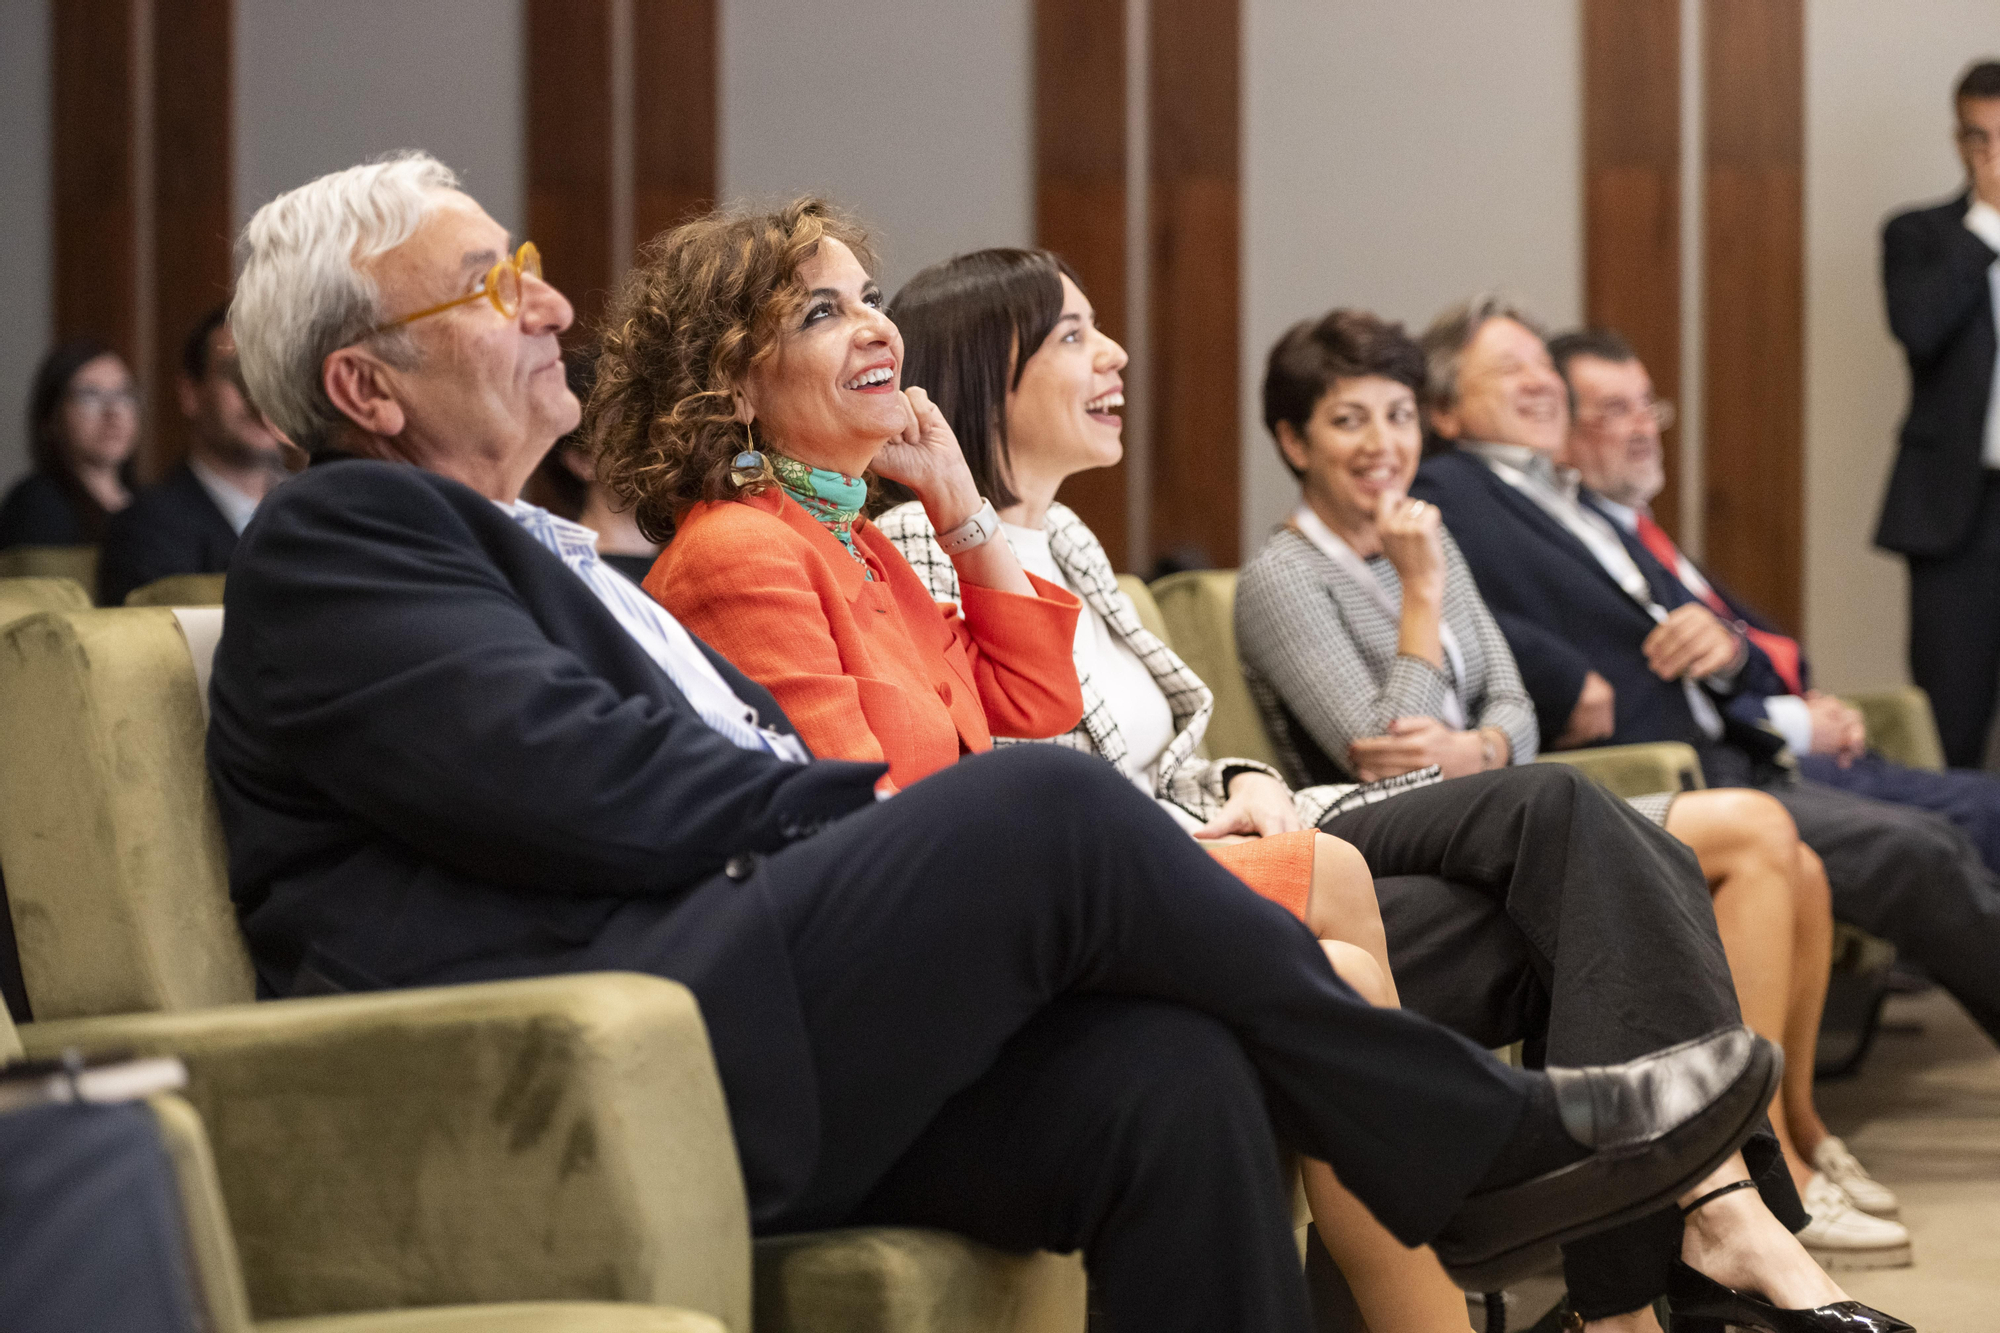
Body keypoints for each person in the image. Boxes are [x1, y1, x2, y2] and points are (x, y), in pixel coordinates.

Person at [210, 154, 1796, 1333]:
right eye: (491, 284)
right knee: (1034, 806)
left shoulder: (569, 555)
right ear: (365, 383)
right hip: (577, 1051)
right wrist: (888, 839)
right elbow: (582, 785)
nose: (551, 298)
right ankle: (1476, 1130)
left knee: (1171, 1076)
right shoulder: (344, 535)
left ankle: (1465, 1134)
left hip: (731, 986)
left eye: (530, 260)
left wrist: (911, 817)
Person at [869, 248, 1867, 1333]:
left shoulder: (1064, 536)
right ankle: (1686, 1248)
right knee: (1588, 873)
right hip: (1191, 887)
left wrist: (1246, 778)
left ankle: (1663, 1268)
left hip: (1259, 829)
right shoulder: (925, 540)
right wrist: (1418, 655)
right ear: (980, 374)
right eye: (1071, 336)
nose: (1113, 354)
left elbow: (1188, 752)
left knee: (1588, 855)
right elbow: (1036, 773)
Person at [1237, 307, 1908, 1269]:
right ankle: (1745, 1173)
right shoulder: (1288, 576)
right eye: (1349, 421)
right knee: (1757, 831)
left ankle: (1789, 1135)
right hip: (1384, 833)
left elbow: (1514, 703)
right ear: (1294, 440)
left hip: (1483, 807)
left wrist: (1472, 742)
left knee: (1788, 858)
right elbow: (1380, 753)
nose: (1383, 445)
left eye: (1398, 415)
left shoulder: (1431, 540)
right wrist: (1422, 603)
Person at [1410, 293, 2000, 1065]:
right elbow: (1457, 608)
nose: (1541, 380)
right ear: (1447, 413)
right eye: (1509, 368)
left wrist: (1725, 651)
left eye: (1542, 365)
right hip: (1652, 768)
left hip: (1727, 749)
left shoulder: (1565, 500)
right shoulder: (1448, 489)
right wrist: (1563, 678)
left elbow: (1737, 638)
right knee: (1918, 853)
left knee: (1934, 840)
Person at [1556, 325, 2000, 882]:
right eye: (1616, 411)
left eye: (1648, 404)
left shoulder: (1645, 536)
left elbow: (1758, 648)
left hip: (1790, 751)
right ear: (1560, 433)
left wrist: (1807, 708)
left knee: (1980, 807)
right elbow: (1665, 698)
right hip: (1749, 769)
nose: (1645, 427)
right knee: (1971, 820)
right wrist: (1792, 722)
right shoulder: (1584, 553)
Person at [1876, 58, 2000, 768]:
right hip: (1960, 512)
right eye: (1978, 137)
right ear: (1959, 141)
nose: (1992, 155)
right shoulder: (1920, 234)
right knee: (1950, 720)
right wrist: (1985, 222)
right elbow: (1918, 328)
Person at [96, 309, 288, 606]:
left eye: (272, 375)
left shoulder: (315, 512)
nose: (258, 395)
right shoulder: (146, 527)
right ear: (190, 393)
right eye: (236, 373)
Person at [522, 353, 661, 583]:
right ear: (582, 460)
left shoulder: (682, 560)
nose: (658, 433)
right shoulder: (570, 576)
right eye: (628, 422)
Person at [0, 340, 139, 551]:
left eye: (123, 394)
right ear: (50, 417)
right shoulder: (36, 505)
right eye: (90, 395)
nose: (113, 412)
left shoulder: (151, 504)